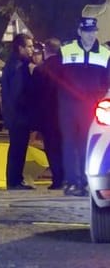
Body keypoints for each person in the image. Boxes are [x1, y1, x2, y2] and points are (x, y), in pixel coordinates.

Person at [57, 17, 110, 197]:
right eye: (86, 31)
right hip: (68, 106)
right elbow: (56, 77)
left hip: (91, 107)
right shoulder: (66, 50)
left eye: (93, 31)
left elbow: (107, 81)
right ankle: (72, 182)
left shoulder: (105, 53)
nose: (90, 35)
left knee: (88, 143)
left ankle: (87, 183)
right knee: (69, 143)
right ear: (79, 32)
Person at [1, 33, 35, 190]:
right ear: (20, 48)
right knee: (18, 149)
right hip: (19, 116)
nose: (32, 49)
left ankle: (14, 180)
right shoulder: (18, 67)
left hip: (15, 115)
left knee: (17, 148)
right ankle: (15, 181)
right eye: (28, 46)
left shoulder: (14, 64)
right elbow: (17, 93)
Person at [31, 38, 64, 189]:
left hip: (47, 116)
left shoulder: (40, 70)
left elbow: (35, 94)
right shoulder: (67, 68)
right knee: (65, 146)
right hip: (66, 114)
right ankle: (68, 178)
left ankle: (57, 179)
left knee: (51, 147)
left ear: (46, 50)